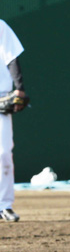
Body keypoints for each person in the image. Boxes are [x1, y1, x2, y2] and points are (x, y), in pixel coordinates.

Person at [0, 19, 27, 222]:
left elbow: (11, 57)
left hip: (1, 96)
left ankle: (4, 204)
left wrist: (19, 87)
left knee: (3, 153)